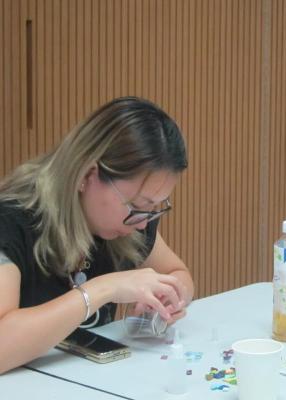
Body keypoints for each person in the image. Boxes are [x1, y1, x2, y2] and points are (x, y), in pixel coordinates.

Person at [0, 97, 195, 373]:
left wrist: (170, 297)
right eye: (137, 206)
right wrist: (105, 289)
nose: (143, 224)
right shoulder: (11, 219)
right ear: (87, 175)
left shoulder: (128, 224)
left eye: (154, 208)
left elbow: (177, 272)